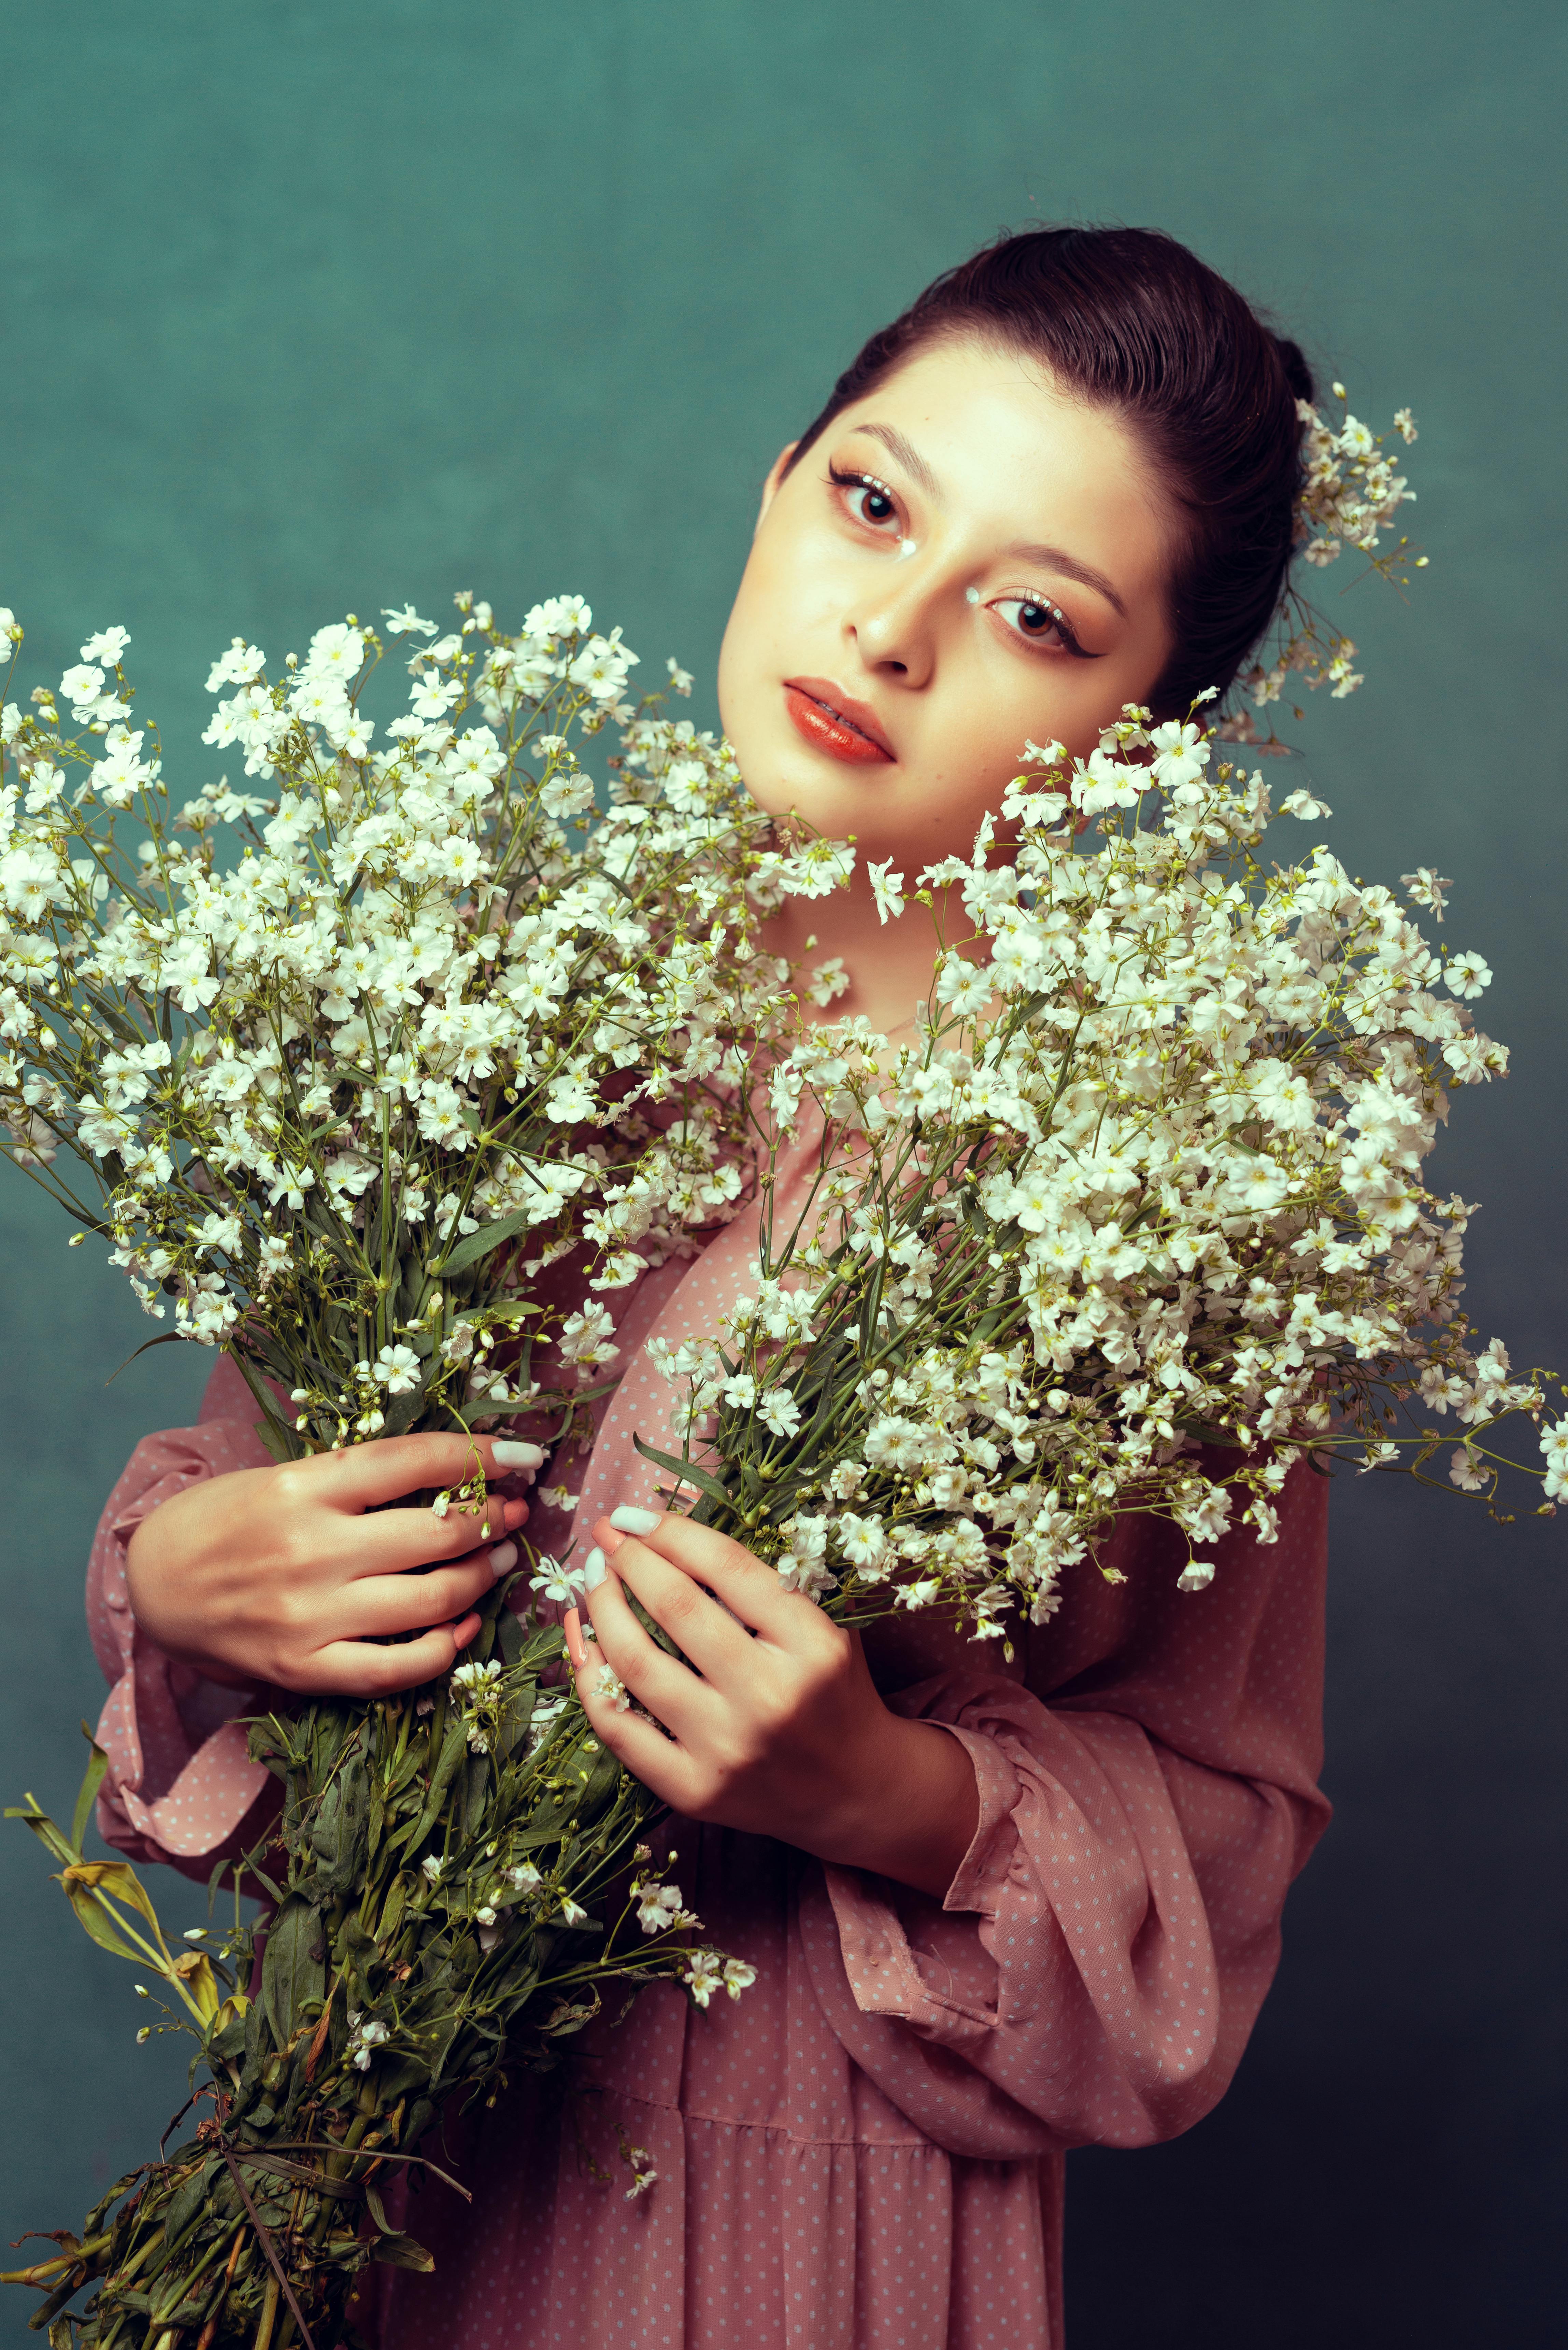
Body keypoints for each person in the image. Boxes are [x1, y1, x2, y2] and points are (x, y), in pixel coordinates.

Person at [92, 226, 1333, 2348]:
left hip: (820, 2217)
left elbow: (1224, 1815)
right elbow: (266, 1500)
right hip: (370, 2156)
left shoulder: (1180, 1205)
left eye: (1035, 616)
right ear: (775, 485)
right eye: (870, 500)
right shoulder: (479, 998)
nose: (894, 627)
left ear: (1142, 739)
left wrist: (889, 1793)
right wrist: (189, 1583)